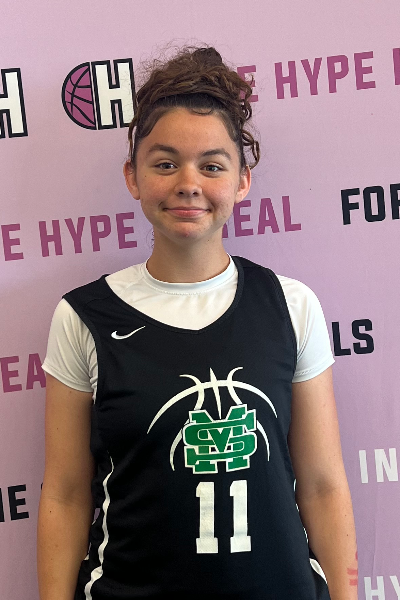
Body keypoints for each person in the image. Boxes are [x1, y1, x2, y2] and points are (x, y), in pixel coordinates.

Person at [37, 45, 358, 600]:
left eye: (212, 165)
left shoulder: (290, 305)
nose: (189, 182)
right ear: (133, 177)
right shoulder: (83, 317)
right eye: (165, 164)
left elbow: (324, 487)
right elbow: (65, 495)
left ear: (242, 181)